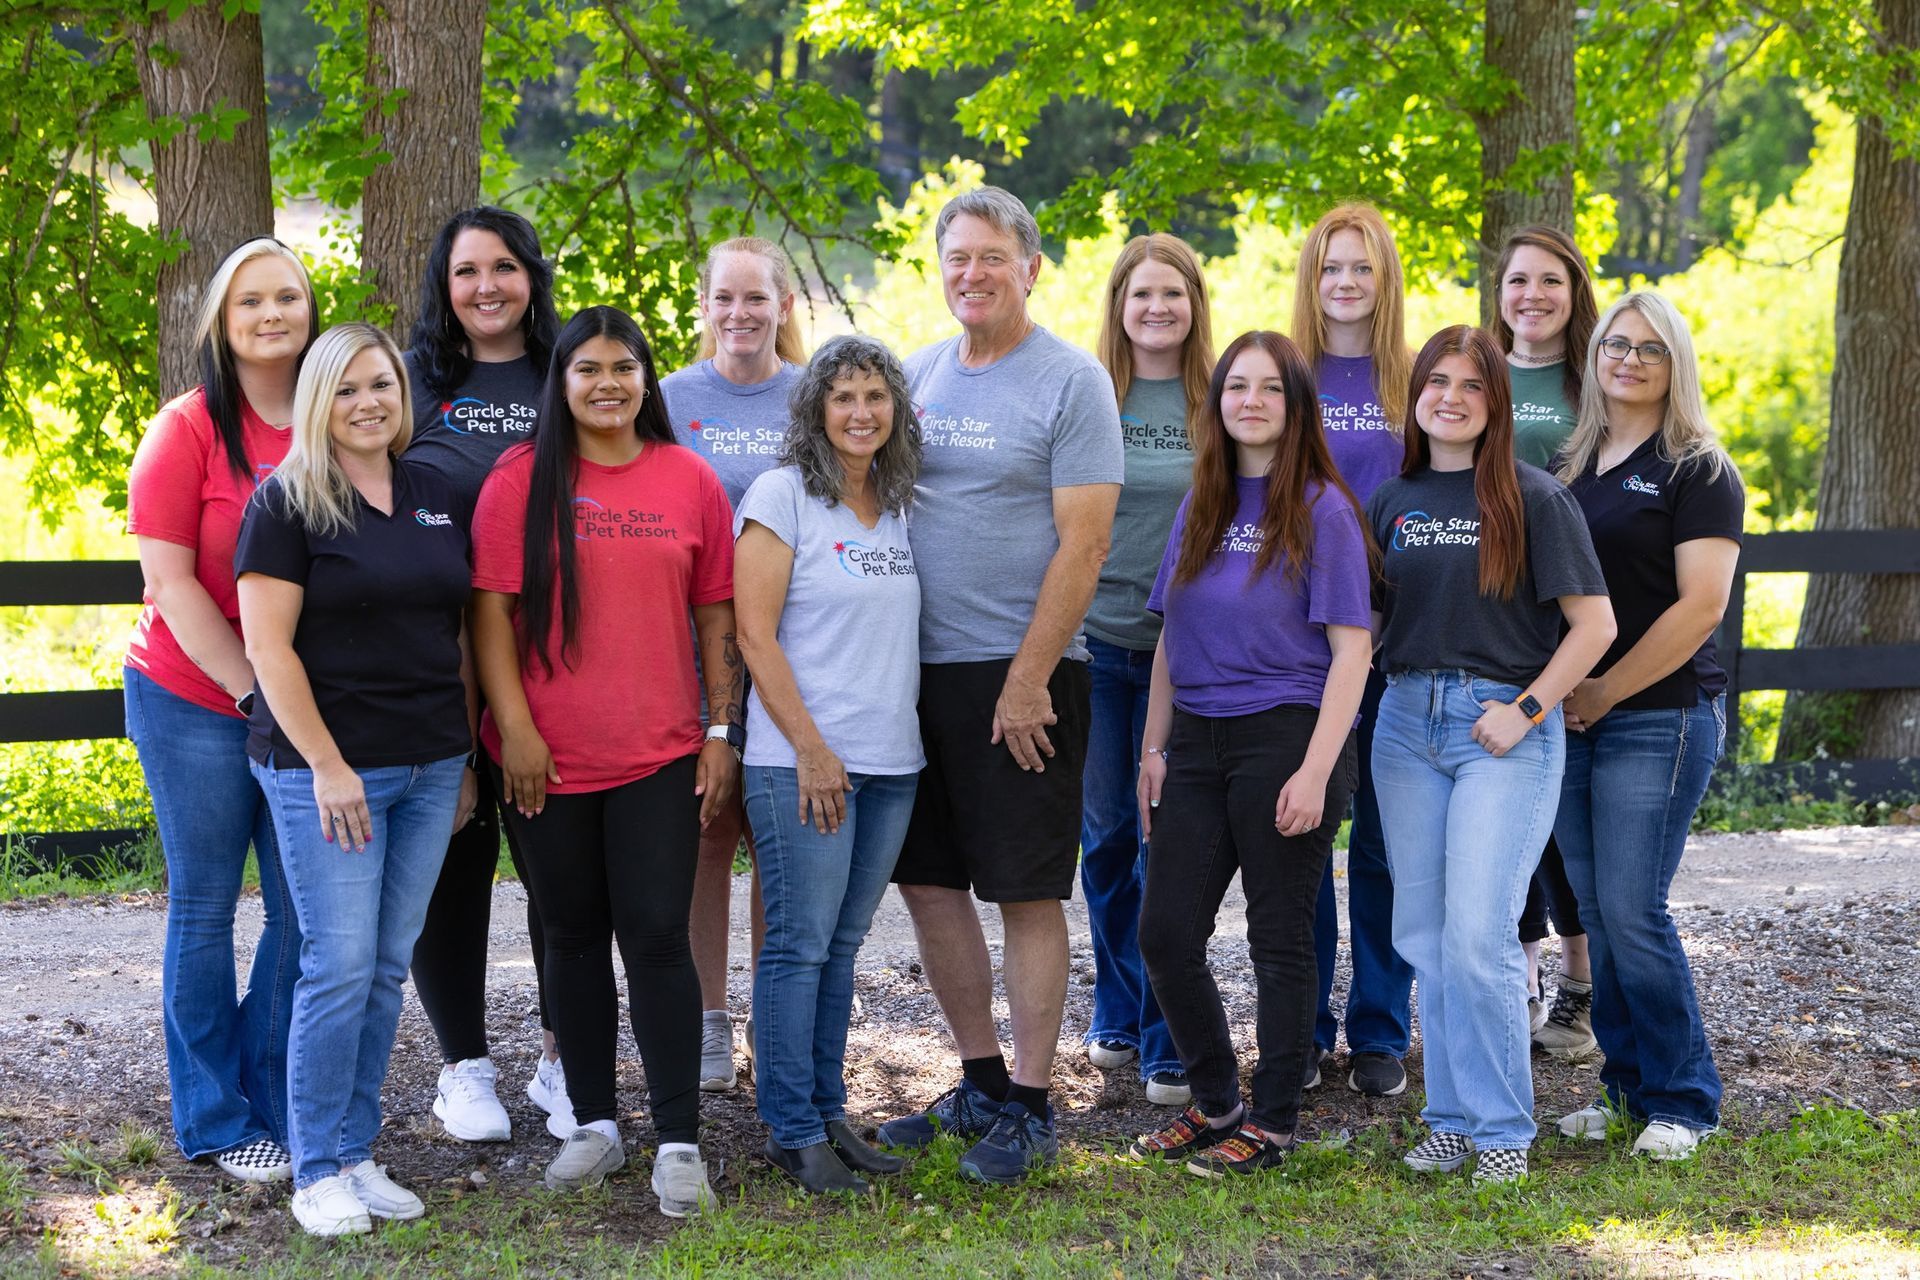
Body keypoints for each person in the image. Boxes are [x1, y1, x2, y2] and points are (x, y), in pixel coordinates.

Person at [875, 186, 1122, 1185]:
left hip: (1022, 671)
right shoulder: (920, 375)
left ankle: (1028, 1101)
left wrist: (1028, 678)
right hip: (914, 674)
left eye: (990, 256)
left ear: (1030, 265)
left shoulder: (1071, 382)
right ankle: (977, 1075)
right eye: (956, 257)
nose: (971, 274)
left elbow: (1088, 538)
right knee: (928, 880)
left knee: (1023, 887)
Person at [471, 306, 736, 1216]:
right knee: (571, 937)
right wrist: (517, 731)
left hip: (660, 753)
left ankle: (676, 1143)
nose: (608, 384)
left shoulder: (689, 478)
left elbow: (715, 621)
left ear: (646, 380)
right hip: (545, 759)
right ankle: (591, 1123)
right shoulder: (519, 481)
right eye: (587, 369)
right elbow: (491, 616)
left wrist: (720, 729)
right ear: (562, 382)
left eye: (624, 368)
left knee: (658, 936)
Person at [236, 323, 475, 1235]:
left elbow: (452, 634)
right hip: (325, 772)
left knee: (381, 969)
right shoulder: (287, 502)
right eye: (346, 389)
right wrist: (328, 766)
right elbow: (267, 648)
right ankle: (316, 1168)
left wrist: (462, 764)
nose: (368, 402)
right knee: (334, 967)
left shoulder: (433, 491)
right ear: (316, 402)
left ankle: (357, 1150)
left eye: (380, 384)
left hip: (430, 765)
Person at [1367, 325, 1615, 1185]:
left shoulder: (1533, 496)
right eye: (1437, 382)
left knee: (1480, 933)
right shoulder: (1391, 499)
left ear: (1496, 403)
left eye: (1472, 386)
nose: (1452, 398)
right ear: (1417, 395)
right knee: (1428, 938)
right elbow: (1358, 628)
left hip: (1498, 729)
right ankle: (1449, 1119)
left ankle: (1505, 1129)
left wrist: (1528, 707)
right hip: (1403, 724)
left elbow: (1595, 626)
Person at [1128, 331, 1372, 1175]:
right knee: (1163, 932)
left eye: (1271, 388)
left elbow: (1353, 652)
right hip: (1194, 740)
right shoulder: (1203, 503)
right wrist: (1152, 749)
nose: (1252, 401)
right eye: (1237, 386)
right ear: (1218, 400)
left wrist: (1315, 768)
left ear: (1295, 405)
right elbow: (1169, 640)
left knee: (1278, 937)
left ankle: (1271, 1121)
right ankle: (1215, 1099)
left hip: (1285, 735)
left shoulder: (1322, 511)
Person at [123, 237, 314, 1184]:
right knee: (205, 907)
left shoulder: (334, 426)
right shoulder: (187, 429)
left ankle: (269, 1097)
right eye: (252, 303)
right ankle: (211, 1114)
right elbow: (172, 583)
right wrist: (252, 694)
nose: (272, 315)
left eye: (288, 297)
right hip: (195, 698)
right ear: (222, 325)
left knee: (299, 915)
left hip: (304, 711)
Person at [1550, 292, 1742, 1162]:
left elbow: (1701, 608)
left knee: (1633, 911)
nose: (1628, 359)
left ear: (1676, 366)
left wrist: (1606, 692)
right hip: (1576, 720)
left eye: (1650, 349)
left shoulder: (1697, 469)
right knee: (1595, 908)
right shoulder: (1574, 463)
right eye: (1616, 345)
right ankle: (1625, 1090)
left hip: (1658, 720)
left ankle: (1684, 1099)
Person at [734, 335, 924, 1194]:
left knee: (842, 946)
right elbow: (752, 633)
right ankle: (791, 1127)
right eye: (842, 396)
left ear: (896, 410)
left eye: (876, 397)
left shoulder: (897, 500)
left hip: (891, 762)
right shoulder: (784, 495)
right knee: (798, 946)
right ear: (814, 407)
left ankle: (825, 1107)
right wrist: (810, 748)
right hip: (801, 762)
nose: (860, 412)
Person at [402, 205, 567, 1144]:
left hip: (551, 662)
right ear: (445, 285)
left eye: (504, 267)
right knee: (452, 864)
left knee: (557, 869)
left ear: (531, 277)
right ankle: (463, 1067)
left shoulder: (567, 371)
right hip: (431, 664)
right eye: (467, 272)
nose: (488, 288)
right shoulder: (414, 380)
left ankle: (558, 1054)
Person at [661, 236, 807, 1094]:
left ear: (785, 305)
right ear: (705, 305)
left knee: (775, 834)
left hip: (796, 651)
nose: (741, 315)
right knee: (707, 834)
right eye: (725, 299)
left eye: (758, 299)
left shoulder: (812, 394)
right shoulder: (672, 400)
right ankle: (707, 1023)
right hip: (692, 650)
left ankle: (768, 1017)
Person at [1078, 234, 1213, 1108]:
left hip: (1187, 657)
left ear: (1195, 304)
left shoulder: (1220, 398)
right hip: (1094, 647)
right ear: (1119, 307)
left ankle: (1171, 1031)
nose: (1157, 308)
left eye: (1173, 294)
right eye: (1141, 295)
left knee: (1170, 841)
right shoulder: (1091, 394)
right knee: (1107, 839)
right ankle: (1115, 1007)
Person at [1287, 203, 1414, 1098]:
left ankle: (1378, 1026)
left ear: (1384, 279)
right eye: (1332, 266)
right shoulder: (1281, 374)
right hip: (1303, 637)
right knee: (1303, 833)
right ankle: (1302, 1025)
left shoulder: (1414, 377)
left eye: (1362, 268)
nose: (1345, 282)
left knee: (1382, 844)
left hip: (1399, 633)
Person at [1492, 225, 1602, 1055]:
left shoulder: (1594, 380)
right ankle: (1523, 975)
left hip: (1571, 609)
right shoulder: (1482, 376)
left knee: (1565, 825)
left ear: (1574, 295)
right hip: (1496, 617)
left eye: (1550, 282)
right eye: (1518, 280)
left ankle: (1582, 982)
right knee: (1507, 815)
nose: (1532, 295)